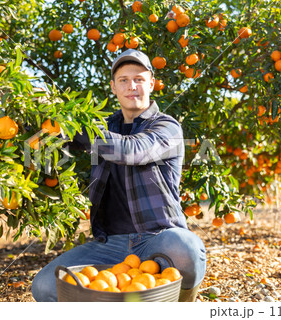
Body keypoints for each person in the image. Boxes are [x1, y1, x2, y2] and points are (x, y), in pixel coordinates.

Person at [31, 49, 206, 302]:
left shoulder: (167, 126)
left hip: (158, 240)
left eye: (139, 79)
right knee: (46, 286)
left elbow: (132, 150)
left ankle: (179, 304)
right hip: (109, 244)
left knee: (185, 249)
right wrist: (34, 123)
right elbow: (51, 144)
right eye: (123, 80)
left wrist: (85, 133)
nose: (131, 86)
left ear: (152, 84)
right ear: (113, 87)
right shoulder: (104, 126)